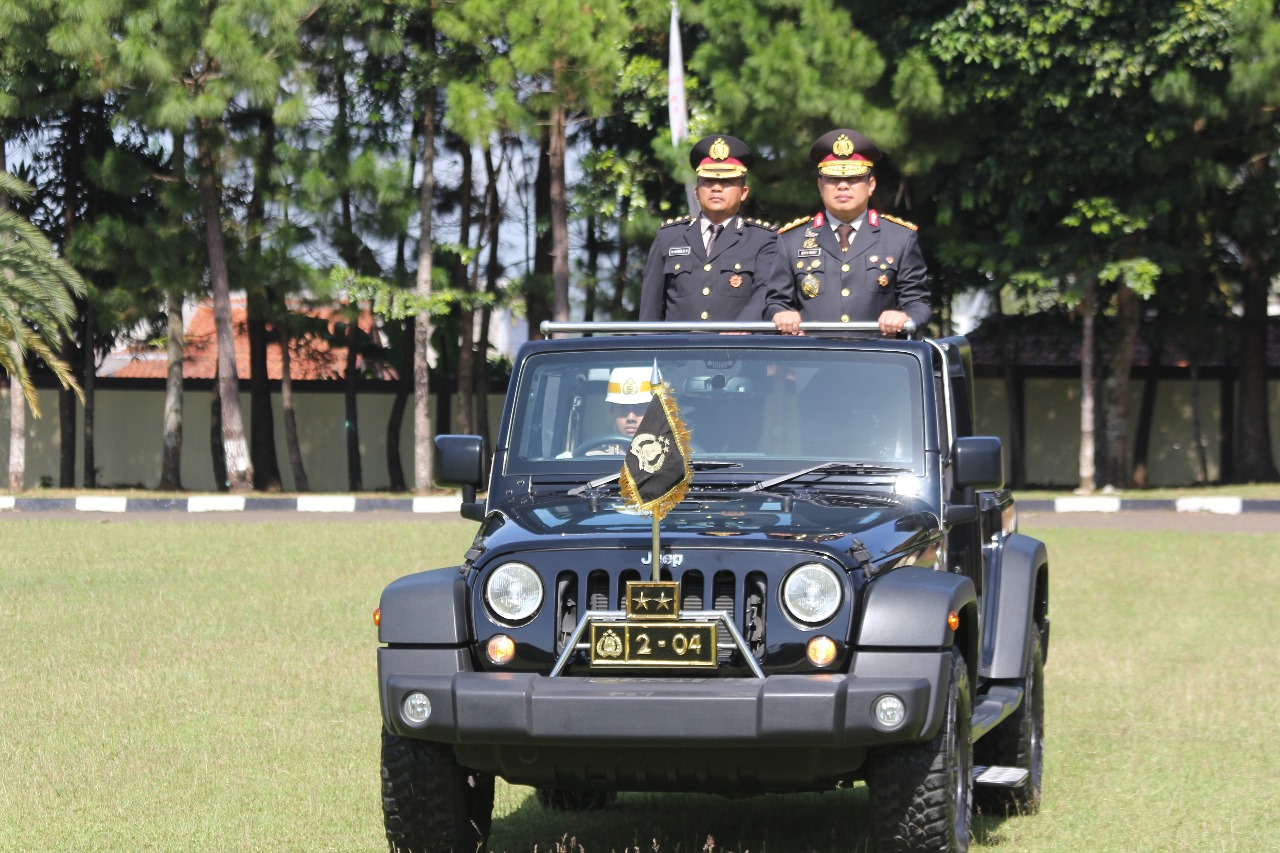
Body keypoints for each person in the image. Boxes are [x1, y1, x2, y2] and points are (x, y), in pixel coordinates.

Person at [764, 129, 931, 336]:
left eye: (853, 178)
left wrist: (905, 316)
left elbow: (918, 302)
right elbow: (775, 302)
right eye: (833, 179)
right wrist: (781, 313)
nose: (842, 186)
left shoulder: (900, 238)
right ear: (820, 186)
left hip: (877, 360)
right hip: (812, 360)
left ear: (870, 185)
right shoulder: (791, 239)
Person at [639, 135, 777, 322]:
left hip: (735, 347)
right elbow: (651, 308)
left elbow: (765, 293)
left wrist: (740, 328)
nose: (716, 188)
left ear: (744, 193)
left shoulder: (762, 239)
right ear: (697, 191)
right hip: (679, 349)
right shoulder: (669, 237)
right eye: (708, 181)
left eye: (727, 182)